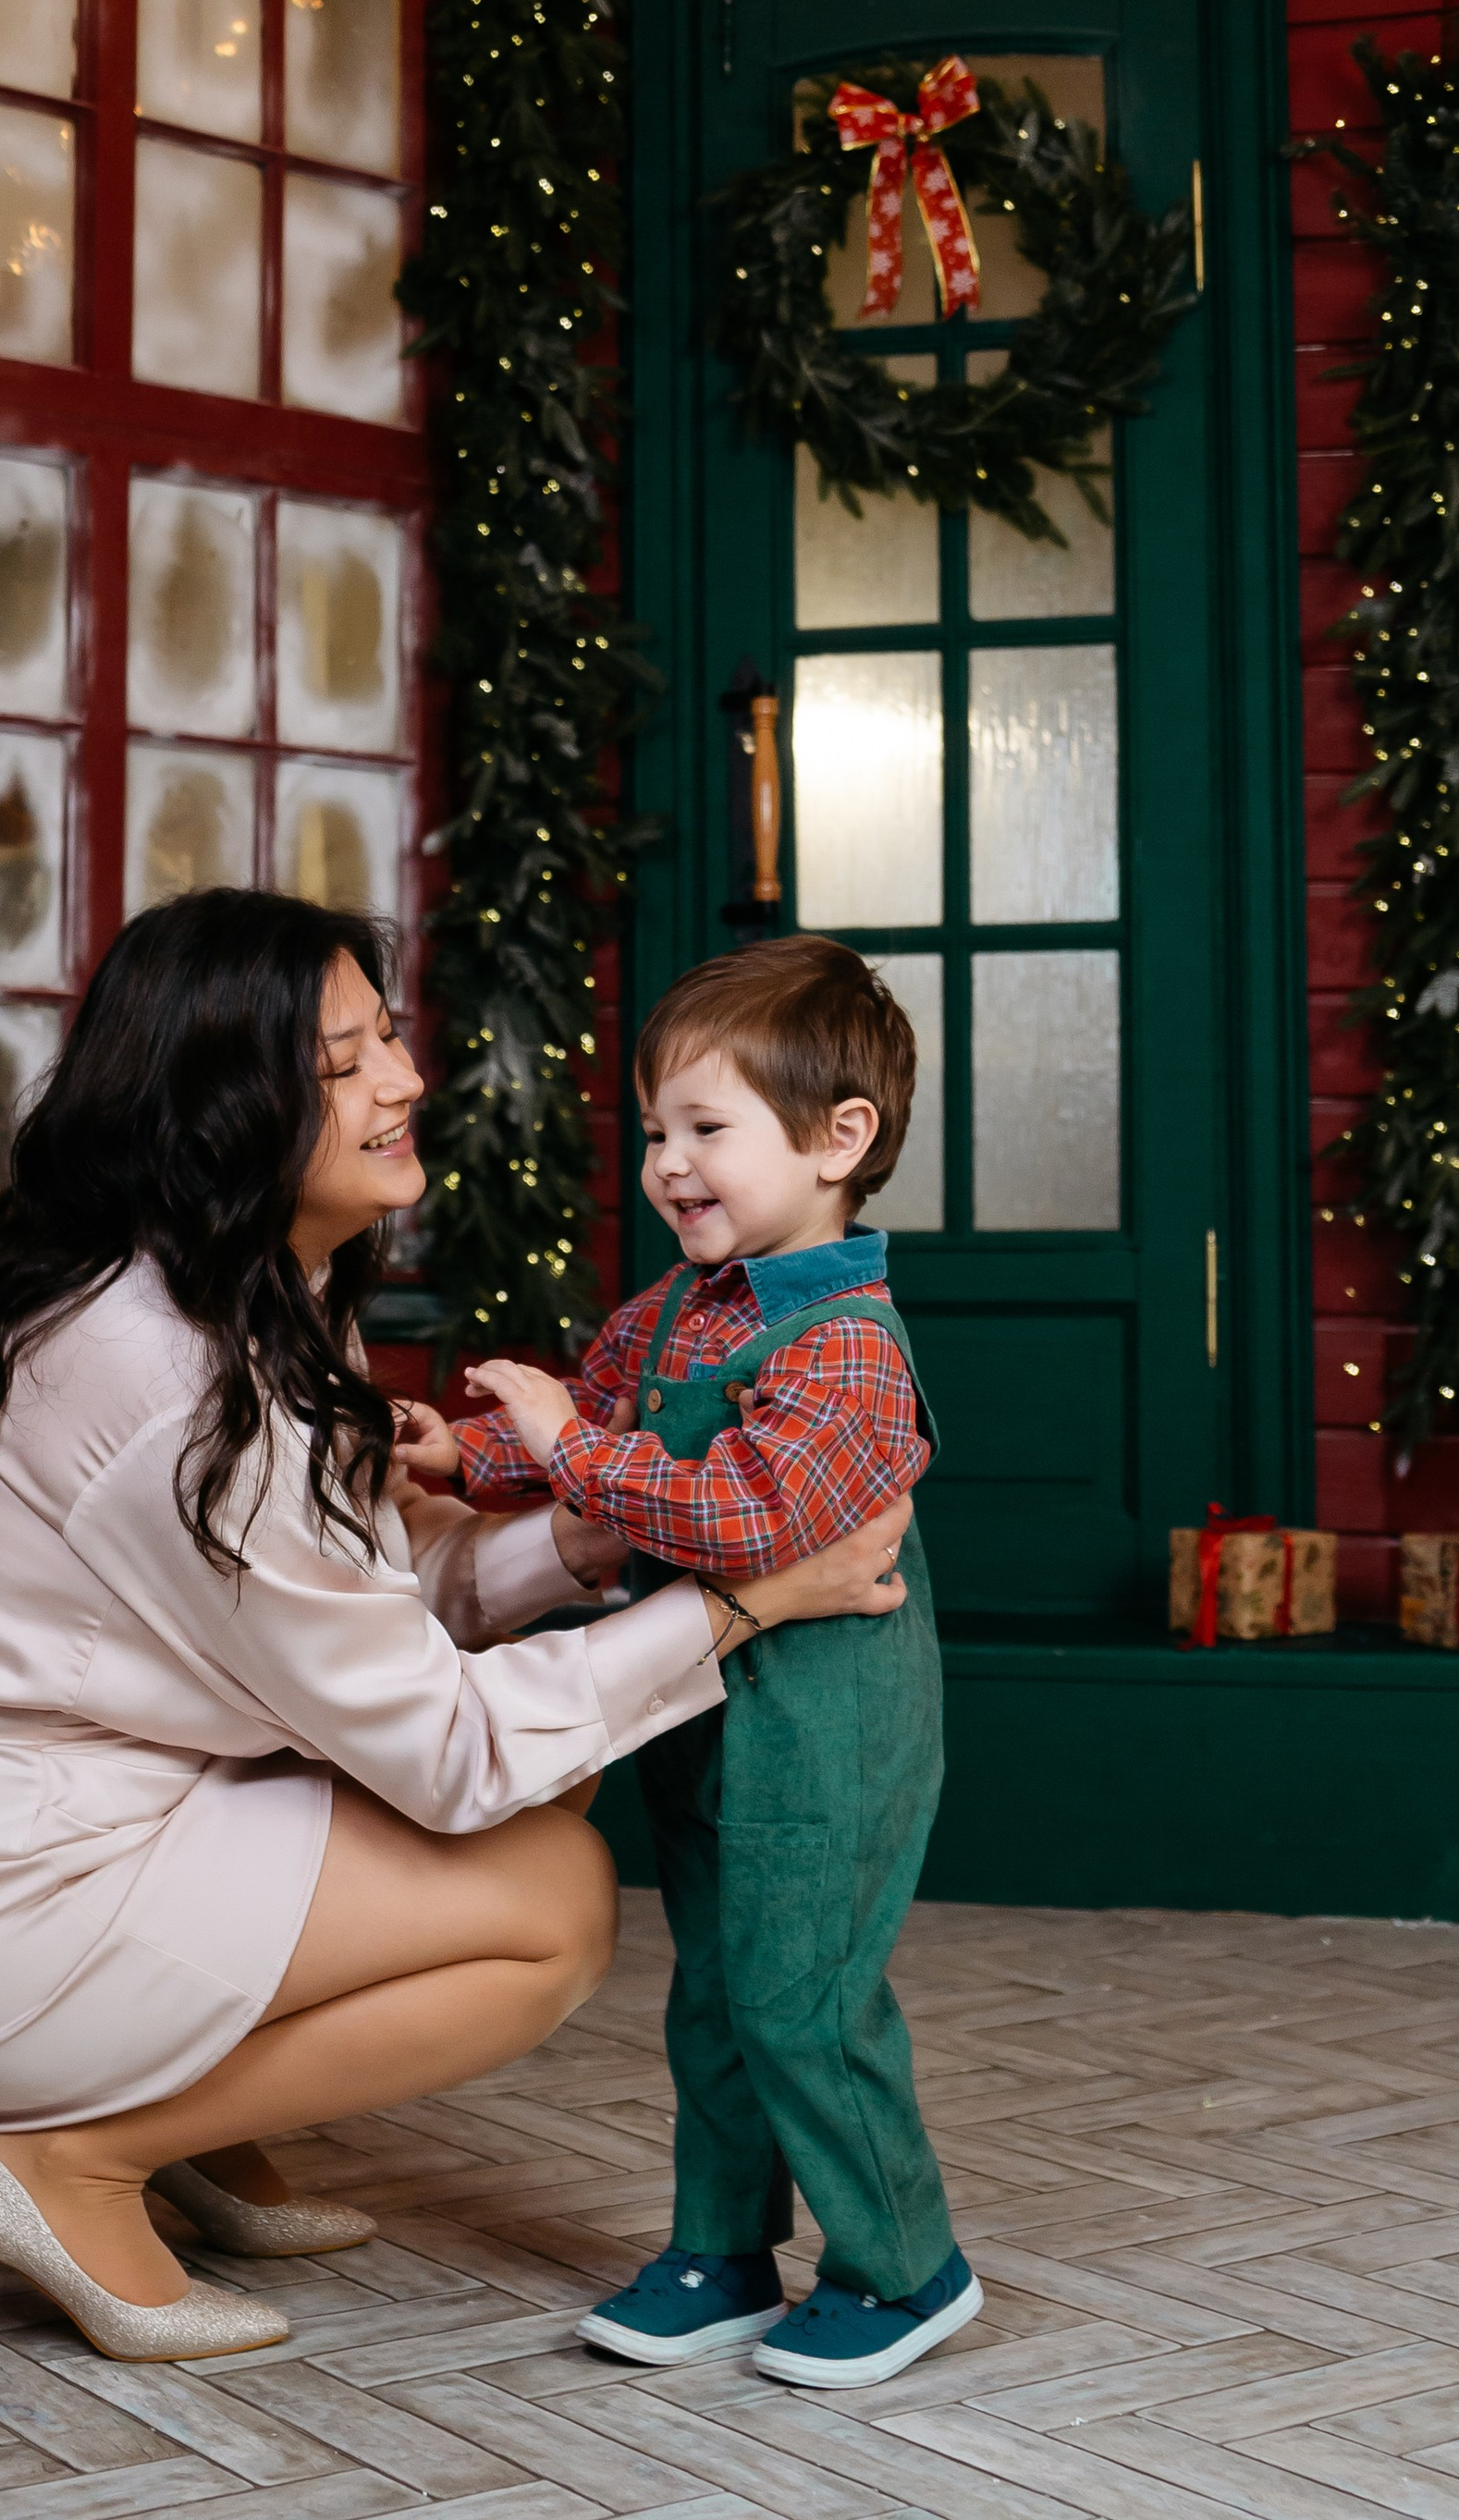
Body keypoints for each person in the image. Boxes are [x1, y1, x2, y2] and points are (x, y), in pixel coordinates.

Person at [0, 889, 913, 2368]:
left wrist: (589, 1527)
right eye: (349, 1056)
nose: (406, 1078)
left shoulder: (241, 1286)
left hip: (73, 1811)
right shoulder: (175, 1374)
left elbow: (354, 1617)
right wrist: (746, 1596)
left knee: (547, 1769)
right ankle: (79, 2155)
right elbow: (440, 1746)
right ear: (229, 1103)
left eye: (390, 1034)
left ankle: (188, 2113)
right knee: (550, 1901)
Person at [402, 933, 976, 2391]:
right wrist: (468, 1453)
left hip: (830, 1723)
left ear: (841, 1137)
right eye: (657, 1129)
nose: (670, 1162)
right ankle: (722, 2246)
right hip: (701, 1702)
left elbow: (750, 1514)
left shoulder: (847, 1344)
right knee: (715, 1986)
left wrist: (569, 1446)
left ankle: (906, 2263)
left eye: (707, 1128)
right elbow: (587, 1430)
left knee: (803, 1995)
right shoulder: (672, 1309)